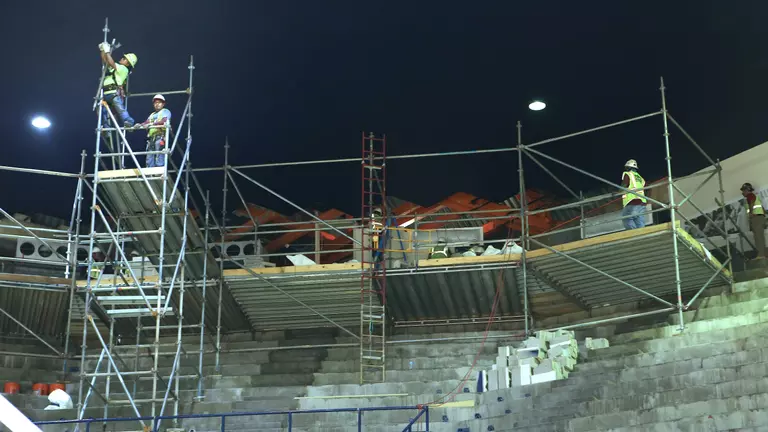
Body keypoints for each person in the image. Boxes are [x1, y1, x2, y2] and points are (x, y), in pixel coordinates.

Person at [98, 42, 137, 127]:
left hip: (113, 93)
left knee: (120, 109)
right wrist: (102, 50)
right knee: (102, 111)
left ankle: (129, 121)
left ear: (128, 63)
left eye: (124, 58)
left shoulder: (123, 69)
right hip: (106, 94)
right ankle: (106, 128)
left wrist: (107, 51)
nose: (122, 58)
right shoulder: (117, 69)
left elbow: (111, 63)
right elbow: (106, 61)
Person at [138, 94, 172, 168]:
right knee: (149, 157)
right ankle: (149, 175)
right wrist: (139, 125)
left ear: (163, 104)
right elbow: (147, 122)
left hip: (160, 137)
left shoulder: (165, 111)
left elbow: (164, 121)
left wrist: (152, 124)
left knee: (159, 156)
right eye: (155, 103)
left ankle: (159, 173)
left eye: (159, 102)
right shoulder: (152, 114)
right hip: (152, 138)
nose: (157, 104)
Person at [741, 182, 766, 259]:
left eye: (744, 190)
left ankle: (761, 255)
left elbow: (751, 203)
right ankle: (761, 254)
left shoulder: (750, 196)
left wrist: (751, 213)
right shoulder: (754, 196)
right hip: (758, 218)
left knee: (759, 237)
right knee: (758, 237)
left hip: (756, 218)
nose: (743, 192)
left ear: (747, 190)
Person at [621, 159, 648, 230]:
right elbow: (646, 187)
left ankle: (634, 234)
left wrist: (617, 192)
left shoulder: (628, 174)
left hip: (632, 201)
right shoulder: (640, 178)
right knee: (639, 220)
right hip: (642, 202)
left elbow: (624, 185)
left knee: (626, 218)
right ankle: (642, 235)